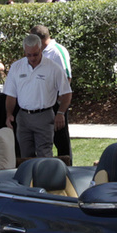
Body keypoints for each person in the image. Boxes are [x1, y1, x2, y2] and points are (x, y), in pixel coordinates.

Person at [2, 33, 72, 160]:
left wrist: (61, 112)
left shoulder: (53, 68)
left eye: (35, 54)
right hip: (23, 118)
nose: (32, 58)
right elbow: (11, 95)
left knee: (44, 156)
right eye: (29, 55)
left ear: (41, 50)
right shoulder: (16, 67)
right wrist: (9, 114)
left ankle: (46, 179)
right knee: (25, 156)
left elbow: (67, 93)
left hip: (44, 117)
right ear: (24, 52)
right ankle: (29, 180)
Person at [31, 24, 72, 157]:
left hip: (56, 103)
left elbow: (67, 78)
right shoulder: (41, 52)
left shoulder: (57, 51)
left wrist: (59, 106)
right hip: (43, 102)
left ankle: (66, 169)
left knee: (61, 140)